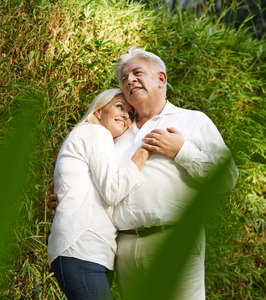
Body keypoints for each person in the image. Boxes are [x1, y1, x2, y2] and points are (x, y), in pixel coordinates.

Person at [48, 47, 239, 300]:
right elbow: (101, 182)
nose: (129, 81)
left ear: (161, 78)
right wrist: (67, 198)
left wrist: (181, 150)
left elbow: (226, 179)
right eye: (124, 78)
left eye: (137, 73)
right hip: (124, 249)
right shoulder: (116, 131)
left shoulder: (193, 121)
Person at [48, 88, 150, 300]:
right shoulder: (95, 133)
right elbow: (113, 191)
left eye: (130, 114)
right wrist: (144, 152)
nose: (125, 116)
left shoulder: (91, 138)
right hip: (82, 248)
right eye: (120, 107)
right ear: (97, 111)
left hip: (89, 252)